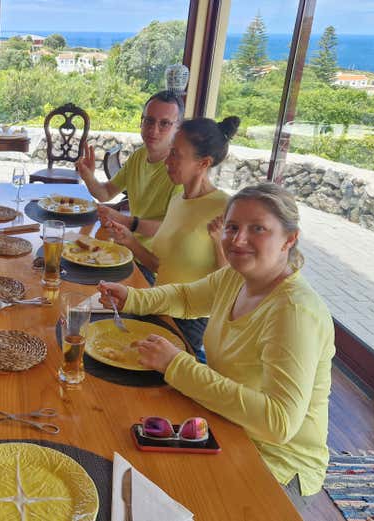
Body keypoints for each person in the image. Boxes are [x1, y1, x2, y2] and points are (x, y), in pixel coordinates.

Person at [98, 183, 335, 509]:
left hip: (275, 465)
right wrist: (133, 298)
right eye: (232, 227)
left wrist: (177, 365)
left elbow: (278, 422)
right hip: (224, 424)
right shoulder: (237, 277)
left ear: (289, 239)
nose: (238, 239)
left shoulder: (294, 311)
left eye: (258, 229)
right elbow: (185, 297)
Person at [103, 117, 239, 354]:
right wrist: (130, 241)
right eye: (170, 152)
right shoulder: (178, 201)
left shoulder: (225, 209)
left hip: (190, 321)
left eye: (176, 154)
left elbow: (233, 287)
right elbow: (160, 266)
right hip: (157, 305)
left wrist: (219, 244)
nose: (167, 161)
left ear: (203, 163)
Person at [75, 90, 184, 248]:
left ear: (178, 129)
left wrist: (125, 221)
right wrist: (88, 176)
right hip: (128, 247)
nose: (154, 130)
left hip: (154, 258)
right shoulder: (139, 156)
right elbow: (105, 193)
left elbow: (173, 229)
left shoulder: (180, 171)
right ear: (141, 122)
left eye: (164, 123)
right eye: (149, 120)